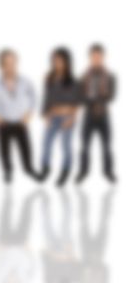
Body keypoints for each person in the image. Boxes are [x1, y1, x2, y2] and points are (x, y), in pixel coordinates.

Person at [0, 49, 40, 184]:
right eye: (7, 64)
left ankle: (29, 169)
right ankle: (7, 172)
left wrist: (29, 113)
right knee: (4, 152)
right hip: (3, 123)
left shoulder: (26, 81)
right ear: (1, 66)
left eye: (14, 63)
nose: (11, 67)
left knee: (26, 149)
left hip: (21, 122)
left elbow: (34, 97)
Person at [39, 47, 82, 187]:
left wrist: (72, 118)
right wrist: (45, 116)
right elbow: (46, 98)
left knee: (66, 145)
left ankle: (65, 170)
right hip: (52, 116)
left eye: (60, 60)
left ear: (66, 62)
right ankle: (45, 168)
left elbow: (77, 103)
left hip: (67, 117)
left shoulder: (74, 81)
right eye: (54, 60)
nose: (56, 63)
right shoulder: (49, 78)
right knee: (46, 143)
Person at [76, 44, 117, 184]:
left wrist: (94, 99)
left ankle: (108, 172)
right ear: (90, 58)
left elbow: (111, 96)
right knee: (84, 146)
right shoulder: (83, 76)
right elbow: (80, 97)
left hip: (104, 115)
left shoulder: (111, 76)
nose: (96, 59)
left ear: (103, 57)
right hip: (88, 116)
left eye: (99, 57)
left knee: (107, 146)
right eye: (94, 57)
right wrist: (95, 101)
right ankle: (83, 171)